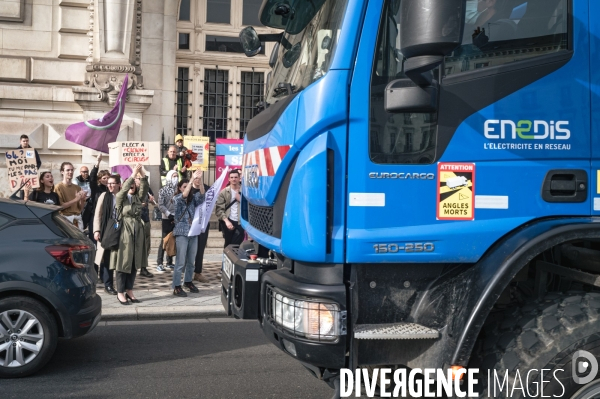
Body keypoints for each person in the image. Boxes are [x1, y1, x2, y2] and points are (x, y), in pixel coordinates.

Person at [109, 164, 149, 305]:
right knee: (123, 262)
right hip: (124, 232)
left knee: (134, 262)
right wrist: (133, 174)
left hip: (137, 232)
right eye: (129, 183)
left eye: (134, 183)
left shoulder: (138, 198)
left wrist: (141, 173)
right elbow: (124, 189)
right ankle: (120, 292)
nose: (132, 185)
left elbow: (144, 187)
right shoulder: (120, 197)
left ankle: (129, 290)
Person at [172, 170, 205, 297]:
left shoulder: (193, 199)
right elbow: (184, 195)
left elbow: (202, 196)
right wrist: (191, 180)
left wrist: (199, 181)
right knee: (180, 261)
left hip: (193, 233)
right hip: (181, 233)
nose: (188, 188)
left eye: (188, 186)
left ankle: (188, 281)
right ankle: (176, 286)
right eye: (184, 186)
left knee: (191, 260)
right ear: (180, 188)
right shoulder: (177, 199)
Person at [93, 175, 121, 295]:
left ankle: (122, 285)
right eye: (108, 183)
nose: (109, 185)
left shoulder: (123, 196)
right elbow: (98, 214)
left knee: (119, 258)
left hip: (121, 228)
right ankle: (108, 284)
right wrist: (96, 230)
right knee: (107, 258)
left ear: (119, 184)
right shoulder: (104, 196)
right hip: (107, 230)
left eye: (112, 183)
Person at [215, 169, 244, 248]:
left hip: (240, 221)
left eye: (235, 177)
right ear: (229, 179)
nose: (234, 179)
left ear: (239, 178)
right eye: (232, 177)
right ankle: (226, 260)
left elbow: (251, 205)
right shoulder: (224, 192)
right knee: (228, 244)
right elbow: (219, 209)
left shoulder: (245, 190)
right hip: (228, 220)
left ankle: (233, 259)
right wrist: (226, 221)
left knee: (236, 245)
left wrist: (241, 199)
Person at [156, 170, 178, 272]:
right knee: (164, 240)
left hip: (177, 218)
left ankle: (169, 262)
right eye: (174, 176)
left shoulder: (179, 190)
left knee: (173, 240)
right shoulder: (163, 190)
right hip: (167, 218)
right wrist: (168, 214)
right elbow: (160, 205)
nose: (176, 178)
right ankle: (159, 263)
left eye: (177, 176)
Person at [55, 162, 87, 231]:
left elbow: (80, 209)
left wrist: (82, 199)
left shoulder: (77, 187)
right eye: (68, 170)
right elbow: (61, 206)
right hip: (66, 220)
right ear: (62, 172)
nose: (70, 172)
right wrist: (76, 199)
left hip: (77, 221)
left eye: (72, 170)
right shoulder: (58, 187)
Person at [86, 154, 110, 242]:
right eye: (104, 178)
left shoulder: (111, 190)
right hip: (96, 217)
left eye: (108, 178)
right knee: (94, 239)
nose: (107, 180)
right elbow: (92, 178)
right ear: (99, 179)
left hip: (108, 217)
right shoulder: (96, 189)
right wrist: (97, 163)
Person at [191, 176, 210, 283]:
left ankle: (198, 272)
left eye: (200, 178)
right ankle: (187, 272)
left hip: (203, 224)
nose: (197, 180)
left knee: (200, 248)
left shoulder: (207, 188)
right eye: (195, 177)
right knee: (188, 249)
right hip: (190, 224)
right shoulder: (188, 188)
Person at [136, 173, 155, 278]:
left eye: (142, 178)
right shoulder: (132, 189)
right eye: (139, 178)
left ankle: (143, 268)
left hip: (146, 219)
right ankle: (133, 268)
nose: (140, 180)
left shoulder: (147, 189)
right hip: (136, 221)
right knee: (136, 245)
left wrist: (152, 201)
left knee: (146, 245)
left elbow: (154, 203)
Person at [17, 134, 42, 199]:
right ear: (20, 142)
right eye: (24, 141)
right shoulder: (16, 151)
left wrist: (34, 169)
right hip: (21, 176)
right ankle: (23, 204)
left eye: (27, 141)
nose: (25, 142)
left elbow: (39, 162)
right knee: (22, 190)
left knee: (34, 190)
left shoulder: (33, 151)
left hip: (32, 175)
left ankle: (33, 204)